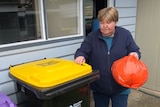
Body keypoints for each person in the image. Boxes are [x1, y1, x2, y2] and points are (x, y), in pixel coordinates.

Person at [74, 7, 141, 107]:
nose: (105, 26)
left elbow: (135, 50)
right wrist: (80, 56)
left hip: (121, 86)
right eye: (102, 23)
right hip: (99, 86)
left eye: (108, 22)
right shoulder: (92, 37)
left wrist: (134, 54)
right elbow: (82, 50)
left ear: (115, 22)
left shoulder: (125, 35)